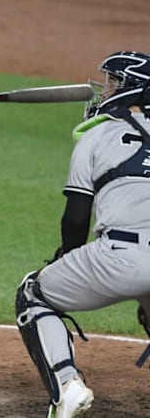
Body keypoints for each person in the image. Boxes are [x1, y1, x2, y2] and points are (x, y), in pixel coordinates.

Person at [15, 50, 150, 418]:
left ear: (133, 89)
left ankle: (67, 388)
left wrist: (66, 256)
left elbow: (76, 219)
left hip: (119, 256)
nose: (104, 90)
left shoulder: (96, 135)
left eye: (113, 83)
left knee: (33, 294)